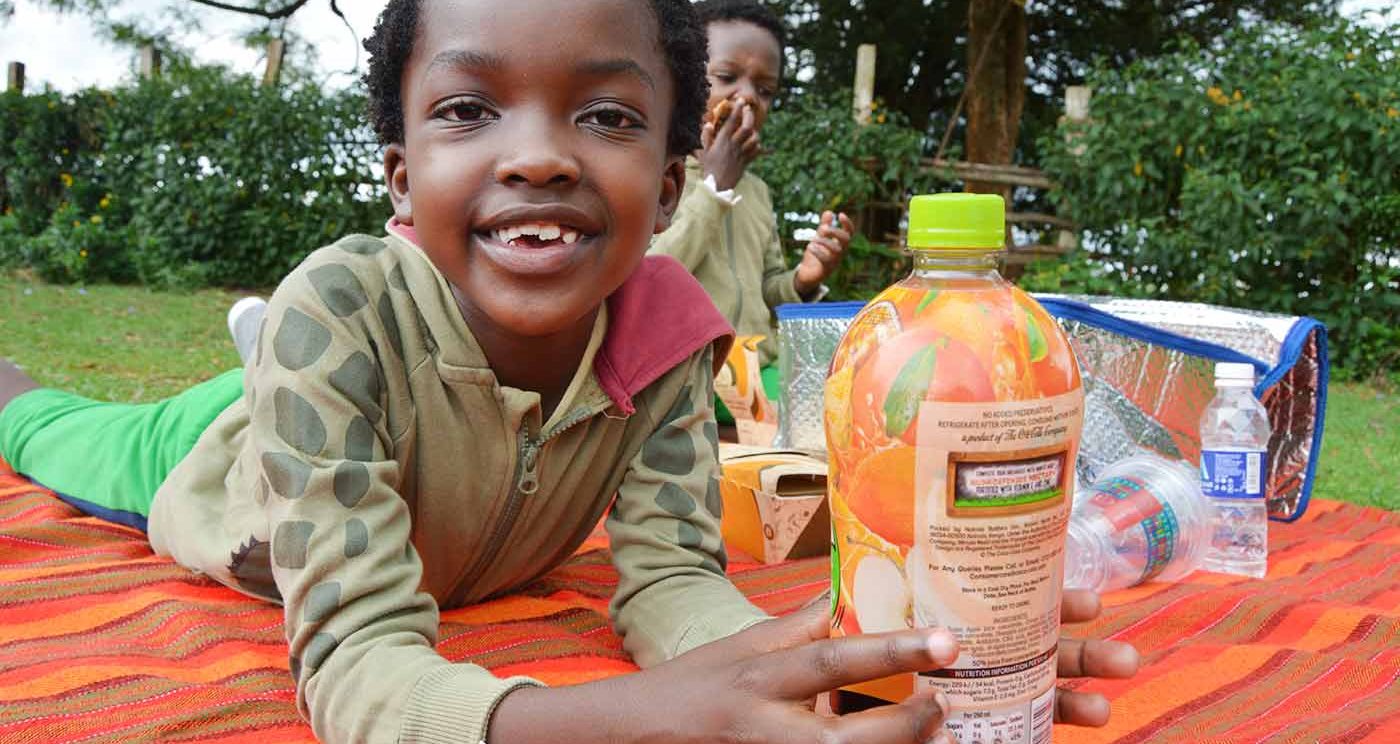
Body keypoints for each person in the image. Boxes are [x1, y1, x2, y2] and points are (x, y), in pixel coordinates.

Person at [0, 1, 1139, 743]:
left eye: (603, 114)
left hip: (356, 419)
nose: (539, 152)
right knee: (49, 428)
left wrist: (857, 676)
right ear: (401, 180)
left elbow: (670, 579)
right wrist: (629, 720)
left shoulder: (666, 330)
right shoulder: (337, 305)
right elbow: (356, 663)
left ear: (667, 171)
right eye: (466, 109)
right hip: (228, 460)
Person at [649, 0, 855, 419]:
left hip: (756, 376)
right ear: (686, 82)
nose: (747, 96)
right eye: (727, 77)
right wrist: (713, 188)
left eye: (764, 89)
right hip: (681, 379)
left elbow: (765, 288)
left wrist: (803, 279)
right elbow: (648, 275)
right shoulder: (656, 175)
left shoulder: (756, 191)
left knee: (849, 389)